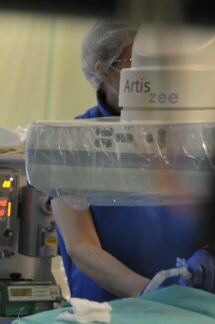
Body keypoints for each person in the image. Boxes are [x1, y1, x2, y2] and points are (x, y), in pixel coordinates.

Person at [51, 20, 212, 301]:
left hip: (194, 303)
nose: (155, 72)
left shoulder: (200, 135)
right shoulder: (73, 142)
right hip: (109, 311)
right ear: (104, 70)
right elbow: (81, 245)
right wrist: (149, 292)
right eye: (136, 60)